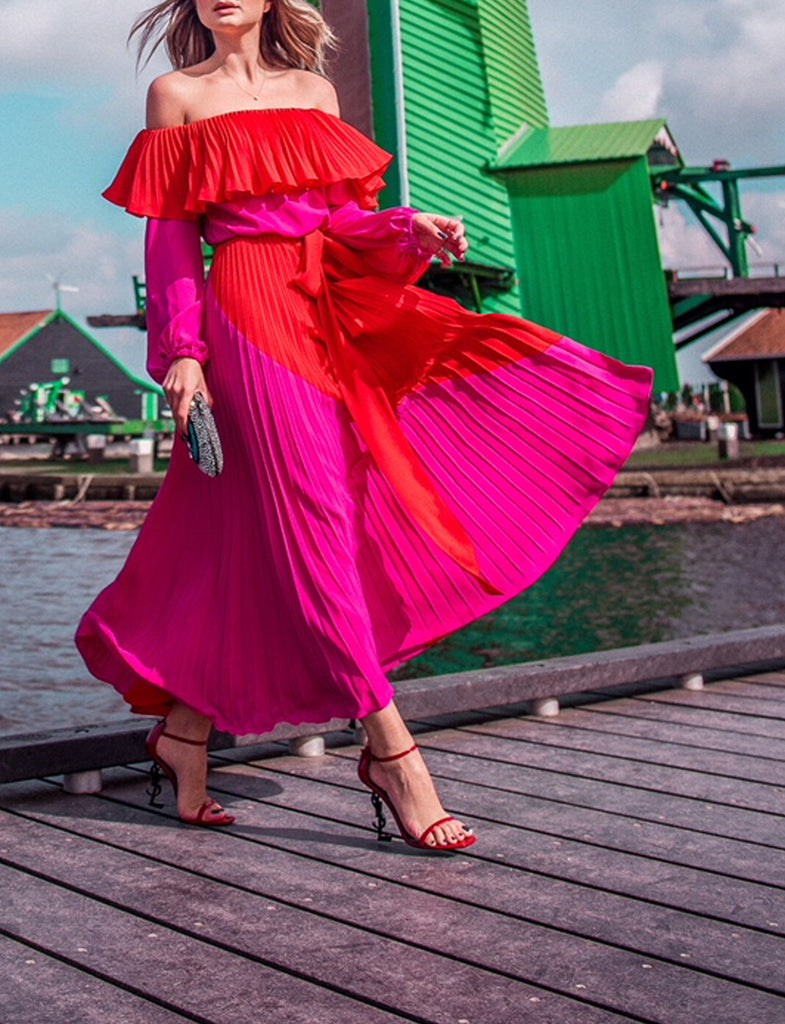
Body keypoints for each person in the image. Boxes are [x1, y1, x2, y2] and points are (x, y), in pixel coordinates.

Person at [76, 0, 652, 849]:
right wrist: (182, 351)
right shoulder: (176, 96)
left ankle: (184, 737)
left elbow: (336, 221)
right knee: (315, 525)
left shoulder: (314, 92)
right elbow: (171, 238)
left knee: (251, 532)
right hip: (244, 316)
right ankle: (394, 755)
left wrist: (402, 225)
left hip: (326, 315)